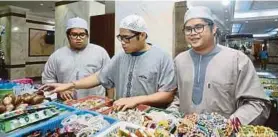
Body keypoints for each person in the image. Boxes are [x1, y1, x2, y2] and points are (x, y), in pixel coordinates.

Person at [40, 15, 176, 111]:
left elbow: (167, 94)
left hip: (150, 118)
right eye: (120, 38)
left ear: (142, 35)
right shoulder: (120, 57)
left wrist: (136, 100)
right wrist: (69, 85)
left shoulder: (162, 58)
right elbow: (99, 77)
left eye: (127, 38)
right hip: (122, 115)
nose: (122, 42)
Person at [174, 6, 271, 125]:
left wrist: (230, 126)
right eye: (188, 29)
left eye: (199, 27)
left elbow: (257, 103)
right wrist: (169, 119)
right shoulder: (179, 60)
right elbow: (176, 98)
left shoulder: (237, 60)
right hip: (185, 130)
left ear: (213, 28)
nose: (193, 33)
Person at [42, 17, 110, 100]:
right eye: (74, 35)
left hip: (95, 103)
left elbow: (109, 77)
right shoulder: (57, 56)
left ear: (87, 35)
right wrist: (61, 91)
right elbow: (48, 79)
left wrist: (110, 100)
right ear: (68, 36)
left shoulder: (100, 52)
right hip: (66, 104)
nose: (78, 38)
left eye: (82, 34)